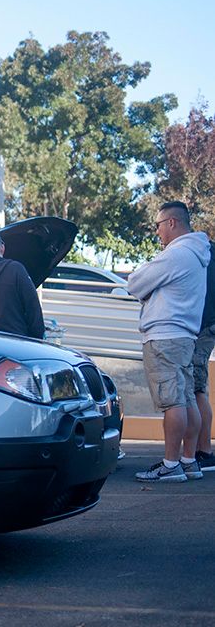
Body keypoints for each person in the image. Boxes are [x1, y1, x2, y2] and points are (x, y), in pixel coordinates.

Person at [128, 201, 211, 482]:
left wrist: (149, 288)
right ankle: (189, 461)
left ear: (172, 223)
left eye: (159, 226)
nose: (157, 232)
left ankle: (171, 464)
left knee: (172, 403)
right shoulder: (198, 254)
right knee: (187, 398)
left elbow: (135, 283)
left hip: (164, 336)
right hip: (185, 335)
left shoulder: (176, 254)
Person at [191, 236, 215, 470]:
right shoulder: (207, 252)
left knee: (197, 389)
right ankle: (201, 449)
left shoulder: (203, 254)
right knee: (199, 389)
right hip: (206, 326)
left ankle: (204, 451)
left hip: (203, 327)